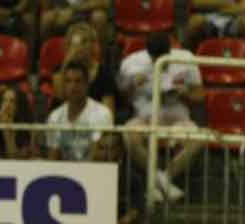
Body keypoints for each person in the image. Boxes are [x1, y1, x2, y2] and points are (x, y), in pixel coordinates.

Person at [118, 32, 203, 206]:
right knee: (128, 134)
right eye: (154, 56)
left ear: (170, 49)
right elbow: (120, 94)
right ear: (147, 51)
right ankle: (163, 182)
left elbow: (199, 95)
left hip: (178, 119)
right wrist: (132, 84)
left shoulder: (186, 59)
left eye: (163, 56)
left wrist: (184, 92)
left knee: (199, 139)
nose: (159, 59)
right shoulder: (132, 63)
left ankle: (162, 179)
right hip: (145, 119)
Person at [47, 61, 112, 161]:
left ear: (87, 84)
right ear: (64, 85)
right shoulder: (55, 116)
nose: (73, 86)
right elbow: (53, 157)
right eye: (68, 81)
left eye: (78, 81)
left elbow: (99, 156)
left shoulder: (102, 113)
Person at [0, 86, 34, 159]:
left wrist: (7, 131)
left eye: (12, 101)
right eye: (4, 100)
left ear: (19, 105)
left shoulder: (27, 128)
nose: (7, 105)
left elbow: (14, 159)